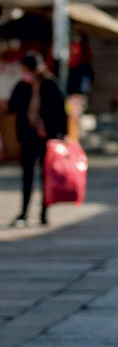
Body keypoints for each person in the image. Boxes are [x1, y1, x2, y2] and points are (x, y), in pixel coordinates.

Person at [6, 52, 66, 228]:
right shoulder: (22, 86)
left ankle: (44, 213)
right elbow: (12, 105)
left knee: (46, 177)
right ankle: (24, 212)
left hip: (47, 138)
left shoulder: (50, 85)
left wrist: (61, 135)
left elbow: (61, 111)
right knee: (27, 176)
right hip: (27, 136)